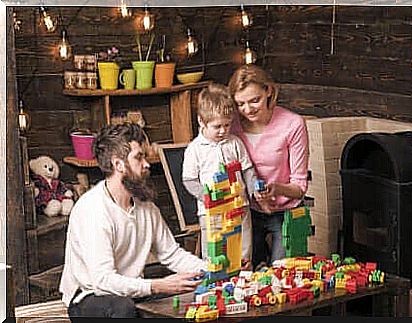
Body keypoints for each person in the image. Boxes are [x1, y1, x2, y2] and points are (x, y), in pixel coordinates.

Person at [59, 123, 206, 319]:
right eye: (139, 157)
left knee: (192, 294)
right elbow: (102, 280)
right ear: (118, 164)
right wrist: (156, 285)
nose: (146, 164)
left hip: (129, 291)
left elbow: (172, 254)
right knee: (123, 309)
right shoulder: (92, 209)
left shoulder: (146, 206)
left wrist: (210, 270)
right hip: (89, 295)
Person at [228, 64, 310, 270]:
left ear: (268, 91)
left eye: (255, 100)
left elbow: (300, 187)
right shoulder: (231, 126)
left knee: (282, 273)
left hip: (285, 213)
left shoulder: (293, 124)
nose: (248, 110)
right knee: (247, 274)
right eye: (240, 104)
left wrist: (276, 188)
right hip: (247, 212)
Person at [182, 83, 258, 268]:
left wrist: (254, 188)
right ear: (201, 121)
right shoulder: (195, 149)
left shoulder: (234, 143)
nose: (223, 131)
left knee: (243, 250)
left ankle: (244, 279)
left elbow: (247, 169)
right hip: (212, 212)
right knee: (215, 253)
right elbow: (189, 180)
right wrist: (206, 195)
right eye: (217, 127)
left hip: (239, 206)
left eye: (227, 125)